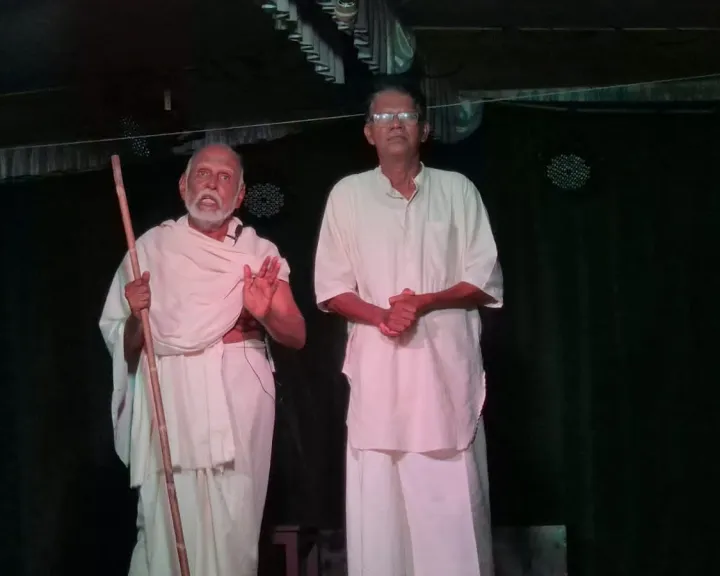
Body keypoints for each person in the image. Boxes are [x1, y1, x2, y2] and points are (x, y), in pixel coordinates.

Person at [314, 84, 503, 575]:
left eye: (406, 115)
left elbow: (484, 278)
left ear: (425, 128)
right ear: (368, 133)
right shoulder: (348, 195)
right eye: (383, 116)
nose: (395, 123)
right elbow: (332, 287)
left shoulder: (458, 189)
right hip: (380, 383)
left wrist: (425, 301)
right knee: (382, 525)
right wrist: (382, 315)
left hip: (444, 381)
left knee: (454, 523)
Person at [99, 143, 306, 575]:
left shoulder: (257, 252)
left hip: (238, 396)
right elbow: (126, 344)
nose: (212, 184)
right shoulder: (150, 249)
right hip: (170, 399)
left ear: (240, 194)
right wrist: (136, 316)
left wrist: (265, 313)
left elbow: (296, 334)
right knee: (163, 523)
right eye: (203, 174)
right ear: (183, 185)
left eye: (225, 177)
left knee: (232, 523)